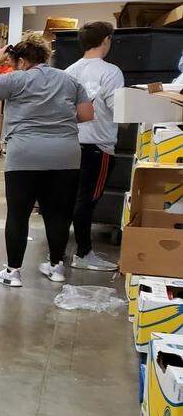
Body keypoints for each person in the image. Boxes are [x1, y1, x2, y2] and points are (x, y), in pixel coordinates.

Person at [0, 36, 94, 288]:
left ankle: (13, 272)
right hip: (65, 155)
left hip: (25, 155)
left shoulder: (17, 78)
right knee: (58, 214)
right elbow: (86, 114)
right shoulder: (70, 80)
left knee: (18, 214)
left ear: (22, 60)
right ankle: (56, 267)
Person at [64, 21, 124, 271]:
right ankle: (84, 253)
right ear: (106, 40)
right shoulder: (111, 72)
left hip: (69, 144)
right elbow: (119, 110)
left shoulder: (68, 71)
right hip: (98, 144)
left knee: (72, 199)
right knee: (88, 200)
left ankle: (61, 254)